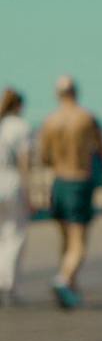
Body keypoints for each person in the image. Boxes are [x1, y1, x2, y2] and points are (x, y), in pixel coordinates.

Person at [38, 75, 102, 309]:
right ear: (76, 91)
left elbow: (45, 157)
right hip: (79, 182)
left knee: (64, 239)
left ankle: (71, 287)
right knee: (78, 241)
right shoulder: (86, 118)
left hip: (59, 182)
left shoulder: (50, 121)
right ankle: (63, 280)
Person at [0, 87, 32, 306]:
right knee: (15, 234)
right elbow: (25, 161)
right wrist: (30, 192)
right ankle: (7, 283)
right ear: (20, 105)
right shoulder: (22, 127)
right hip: (12, 183)